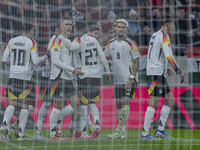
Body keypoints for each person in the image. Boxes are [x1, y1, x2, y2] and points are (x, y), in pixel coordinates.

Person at [58, 24, 112, 139]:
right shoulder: (94, 41)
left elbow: (72, 48)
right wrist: (107, 71)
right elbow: (102, 57)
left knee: (83, 105)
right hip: (96, 76)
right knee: (92, 103)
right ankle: (96, 125)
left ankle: (82, 133)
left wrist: (61, 37)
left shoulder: (78, 40)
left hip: (84, 76)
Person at [0, 23, 49, 140]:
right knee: (25, 106)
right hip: (26, 78)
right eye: (33, 30)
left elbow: (4, 59)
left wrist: (13, 66)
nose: (34, 32)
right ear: (31, 30)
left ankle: (3, 126)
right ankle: (20, 133)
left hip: (13, 76)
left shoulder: (11, 41)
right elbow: (36, 61)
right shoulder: (31, 42)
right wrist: (47, 56)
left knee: (12, 104)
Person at [140, 15, 184, 140]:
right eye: (173, 24)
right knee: (153, 103)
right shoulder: (165, 36)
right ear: (167, 24)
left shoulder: (154, 35)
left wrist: (165, 68)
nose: (174, 26)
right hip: (155, 75)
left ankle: (160, 130)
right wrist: (179, 71)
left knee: (170, 100)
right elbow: (169, 56)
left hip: (157, 73)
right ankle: (145, 133)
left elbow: (156, 55)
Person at [49, 16, 84, 140]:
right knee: (57, 106)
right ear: (61, 27)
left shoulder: (68, 42)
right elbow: (56, 61)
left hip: (69, 77)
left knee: (76, 104)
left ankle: (56, 121)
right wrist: (72, 69)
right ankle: (53, 133)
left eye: (70, 24)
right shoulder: (57, 41)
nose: (69, 27)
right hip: (59, 76)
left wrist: (73, 71)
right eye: (67, 24)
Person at [104, 18, 140, 139]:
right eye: (119, 27)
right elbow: (104, 58)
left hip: (128, 79)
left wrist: (131, 77)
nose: (121, 29)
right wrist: (107, 71)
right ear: (115, 28)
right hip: (117, 80)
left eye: (123, 27)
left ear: (126, 29)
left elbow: (137, 62)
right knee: (118, 104)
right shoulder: (110, 43)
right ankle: (122, 131)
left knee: (125, 101)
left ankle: (118, 130)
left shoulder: (131, 43)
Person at [34, 26, 61, 140]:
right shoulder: (54, 40)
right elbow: (51, 57)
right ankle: (39, 132)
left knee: (60, 103)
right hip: (49, 77)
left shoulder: (59, 40)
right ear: (57, 29)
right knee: (47, 104)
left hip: (55, 76)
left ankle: (55, 130)